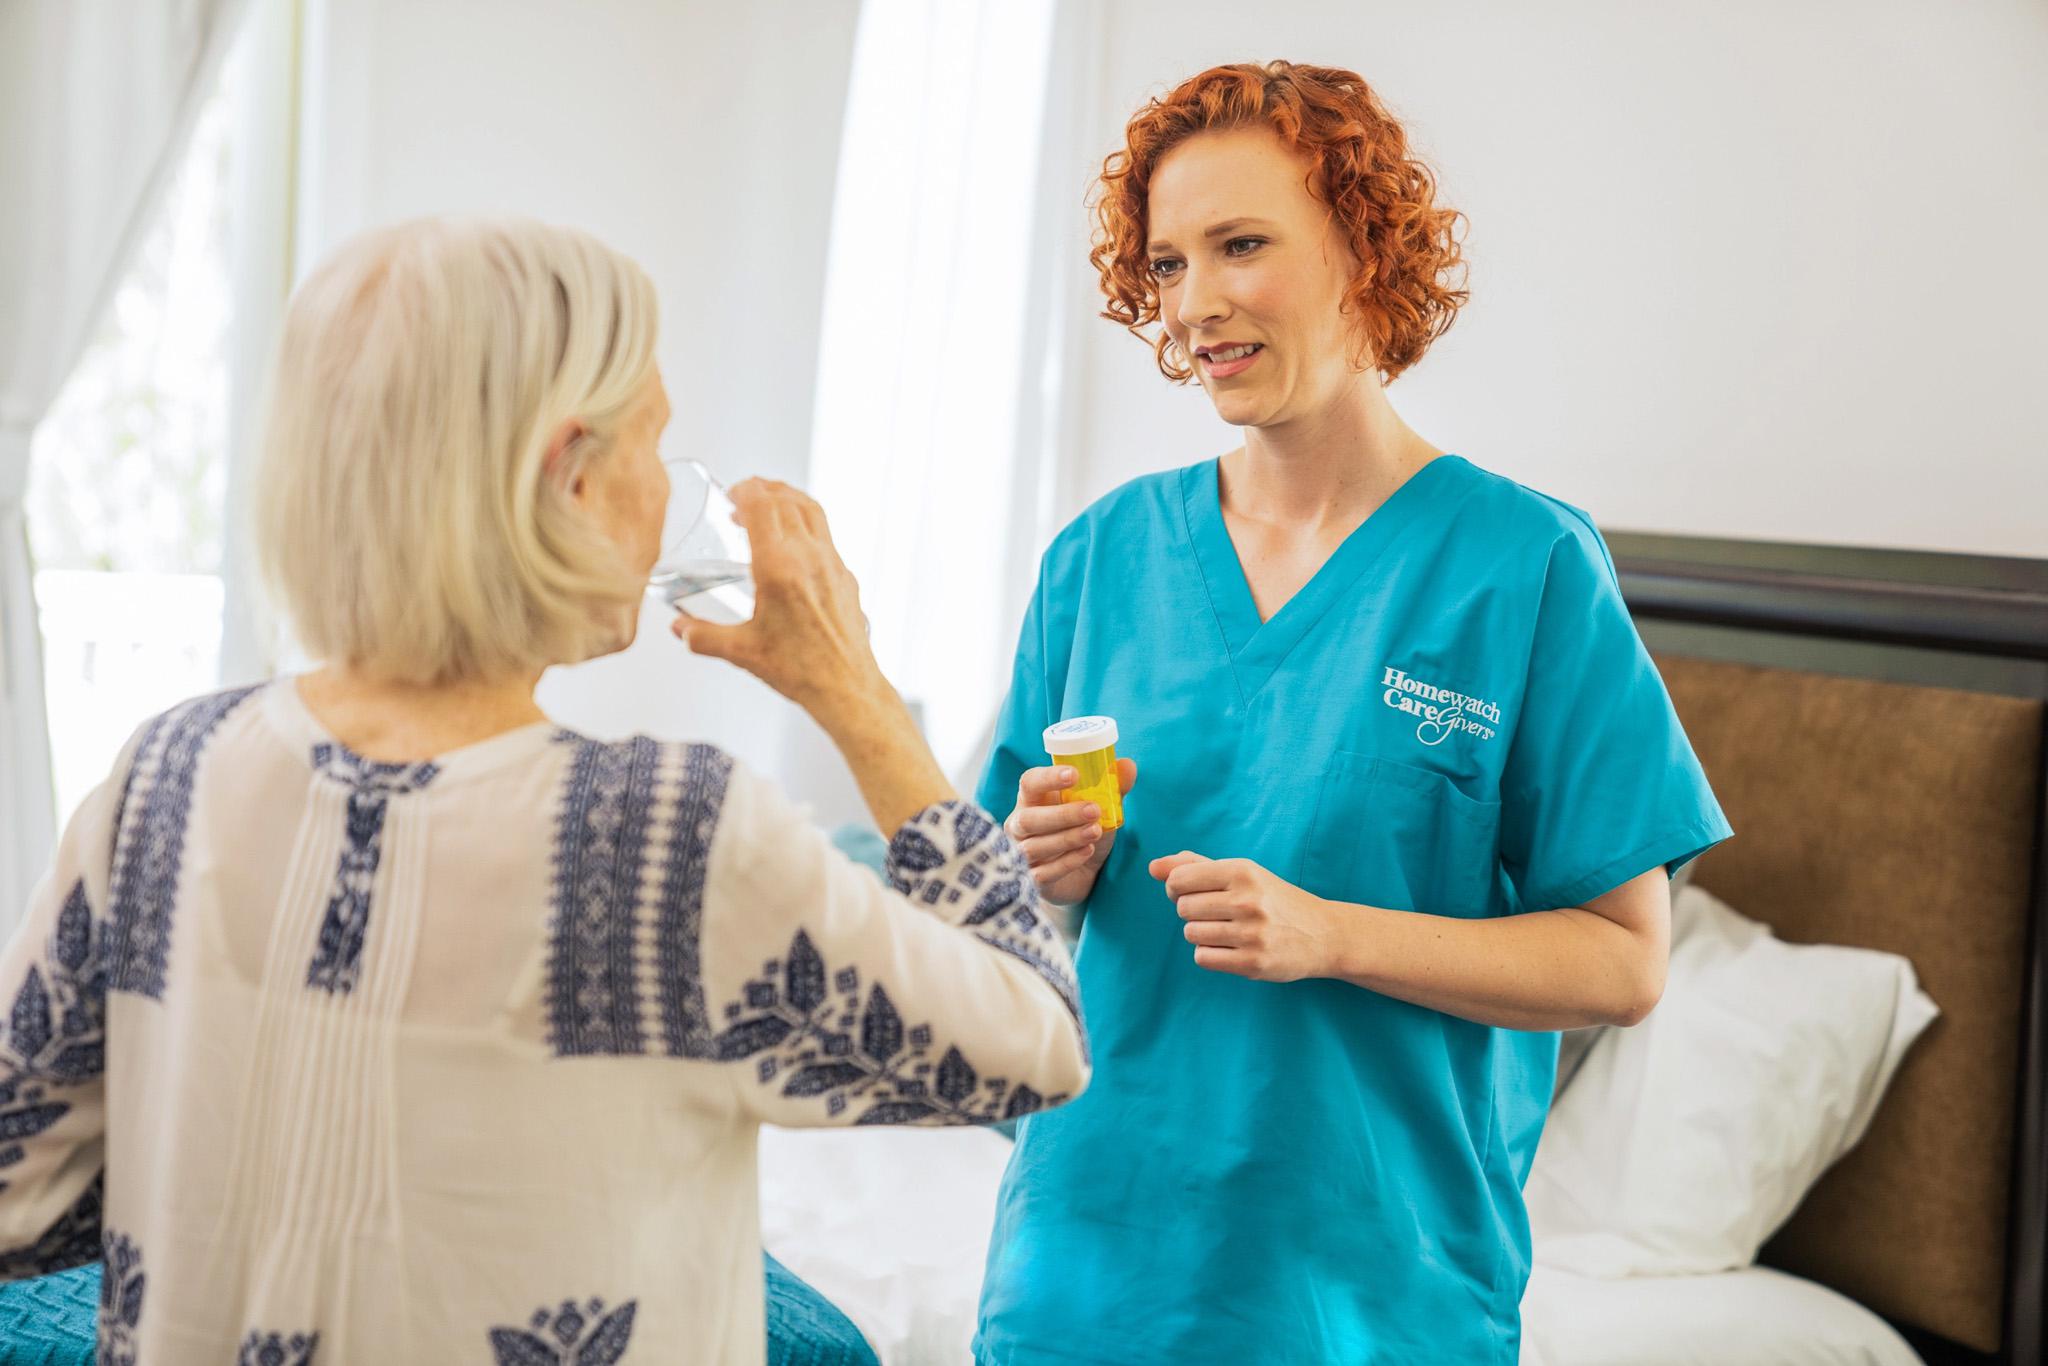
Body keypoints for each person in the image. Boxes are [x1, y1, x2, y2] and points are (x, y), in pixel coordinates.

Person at [0, 217, 1089, 1363]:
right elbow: (1033, 1040)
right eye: (654, 446)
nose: (667, 494)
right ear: (566, 472)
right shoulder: (669, 837)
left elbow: (21, 1185)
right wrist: (858, 696)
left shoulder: (163, 775)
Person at [972, 61, 1731, 1365]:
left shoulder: (1523, 566)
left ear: (1362, 246)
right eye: (1165, 265)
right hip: (1081, 1280)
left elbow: (1623, 960)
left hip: (1369, 1309)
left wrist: (1333, 933)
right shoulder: (1101, 557)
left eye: (1241, 244)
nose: (1196, 303)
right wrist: (1045, 871)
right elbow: (985, 924)